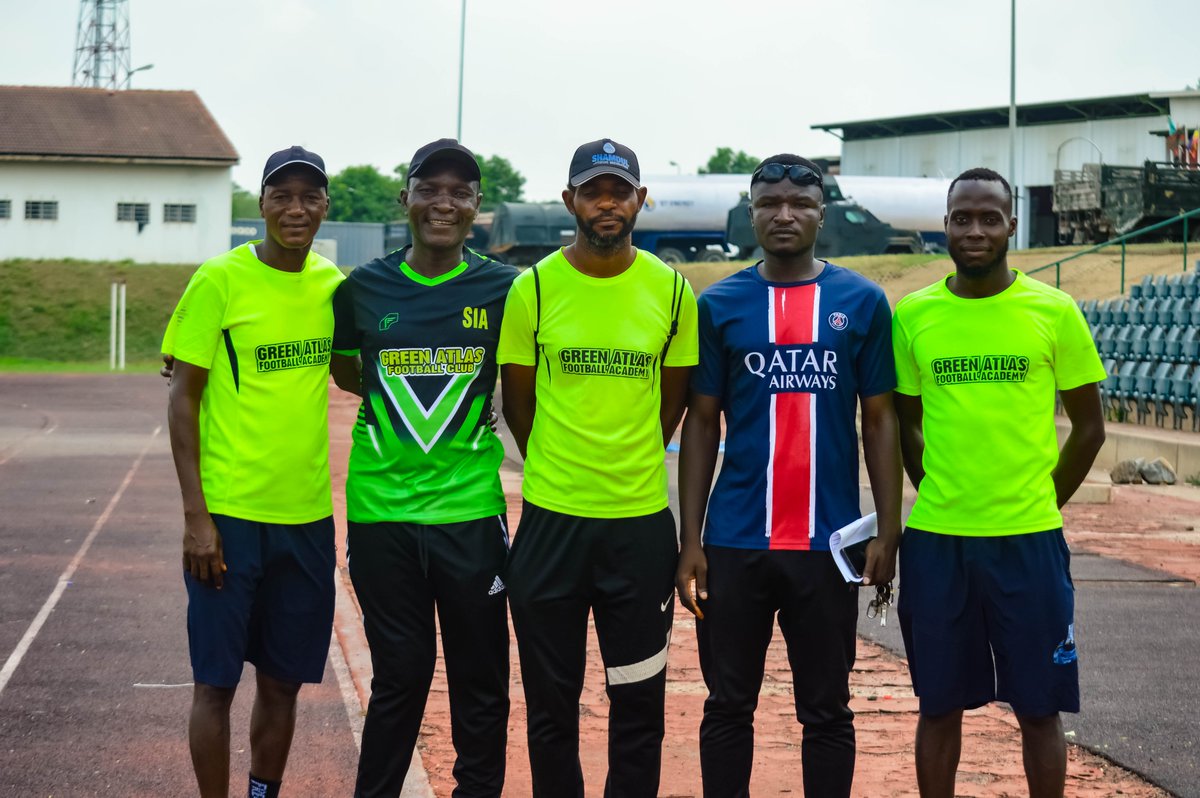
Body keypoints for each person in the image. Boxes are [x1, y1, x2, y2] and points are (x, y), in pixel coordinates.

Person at [675, 154, 903, 798]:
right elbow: (700, 426)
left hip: (827, 546)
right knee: (727, 705)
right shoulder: (718, 304)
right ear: (749, 214)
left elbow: (880, 421)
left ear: (821, 214)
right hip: (735, 542)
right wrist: (690, 542)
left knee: (827, 710)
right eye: (769, 204)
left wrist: (887, 530)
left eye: (799, 204)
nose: (784, 215)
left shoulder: (861, 302)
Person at [891, 167, 1107, 798]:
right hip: (937, 541)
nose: (976, 230)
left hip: (1028, 541)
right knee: (938, 703)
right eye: (963, 218)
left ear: (1012, 225)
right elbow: (908, 428)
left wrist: (1042, 500)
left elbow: (1089, 429)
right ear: (947, 225)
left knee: (1040, 707)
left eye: (990, 218)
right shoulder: (914, 315)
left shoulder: (1055, 311)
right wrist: (939, 488)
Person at [497, 138, 699, 797]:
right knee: (551, 706)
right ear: (569, 201)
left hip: (638, 531)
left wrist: (622, 465)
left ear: (641, 199)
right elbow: (519, 407)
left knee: (638, 705)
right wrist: (562, 467)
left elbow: (670, 410)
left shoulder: (672, 293)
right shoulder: (532, 288)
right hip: (552, 526)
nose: (606, 202)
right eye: (592, 190)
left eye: (619, 190)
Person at [329, 139, 517, 798]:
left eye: (459, 191)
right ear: (403, 198)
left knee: (480, 681)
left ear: (476, 206)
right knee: (400, 677)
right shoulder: (362, 288)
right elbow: (347, 370)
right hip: (383, 514)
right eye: (429, 188)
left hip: (470, 513)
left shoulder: (507, 289)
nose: (444, 202)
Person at [164, 146, 343, 798]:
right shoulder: (219, 279)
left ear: (326, 206)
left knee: (283, 681)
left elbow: (357, 367)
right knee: (215, 683)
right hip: (230, 520)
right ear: (261, 202)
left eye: (309, 196)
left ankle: (263, 792)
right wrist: (196, 518)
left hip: (306, 520)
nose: (295, 208)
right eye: (282, 195)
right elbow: (181, 396)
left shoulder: (332, 286)